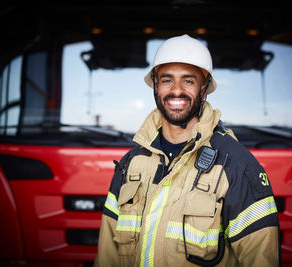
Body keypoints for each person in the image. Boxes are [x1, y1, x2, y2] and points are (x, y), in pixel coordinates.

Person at [94, 34, 280, 267]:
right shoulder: (131, 164)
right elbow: (107, 257)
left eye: (188, 81)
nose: (176, 91)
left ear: (203, 90)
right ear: (155, 86)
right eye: (167, 80)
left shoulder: (238, 167)